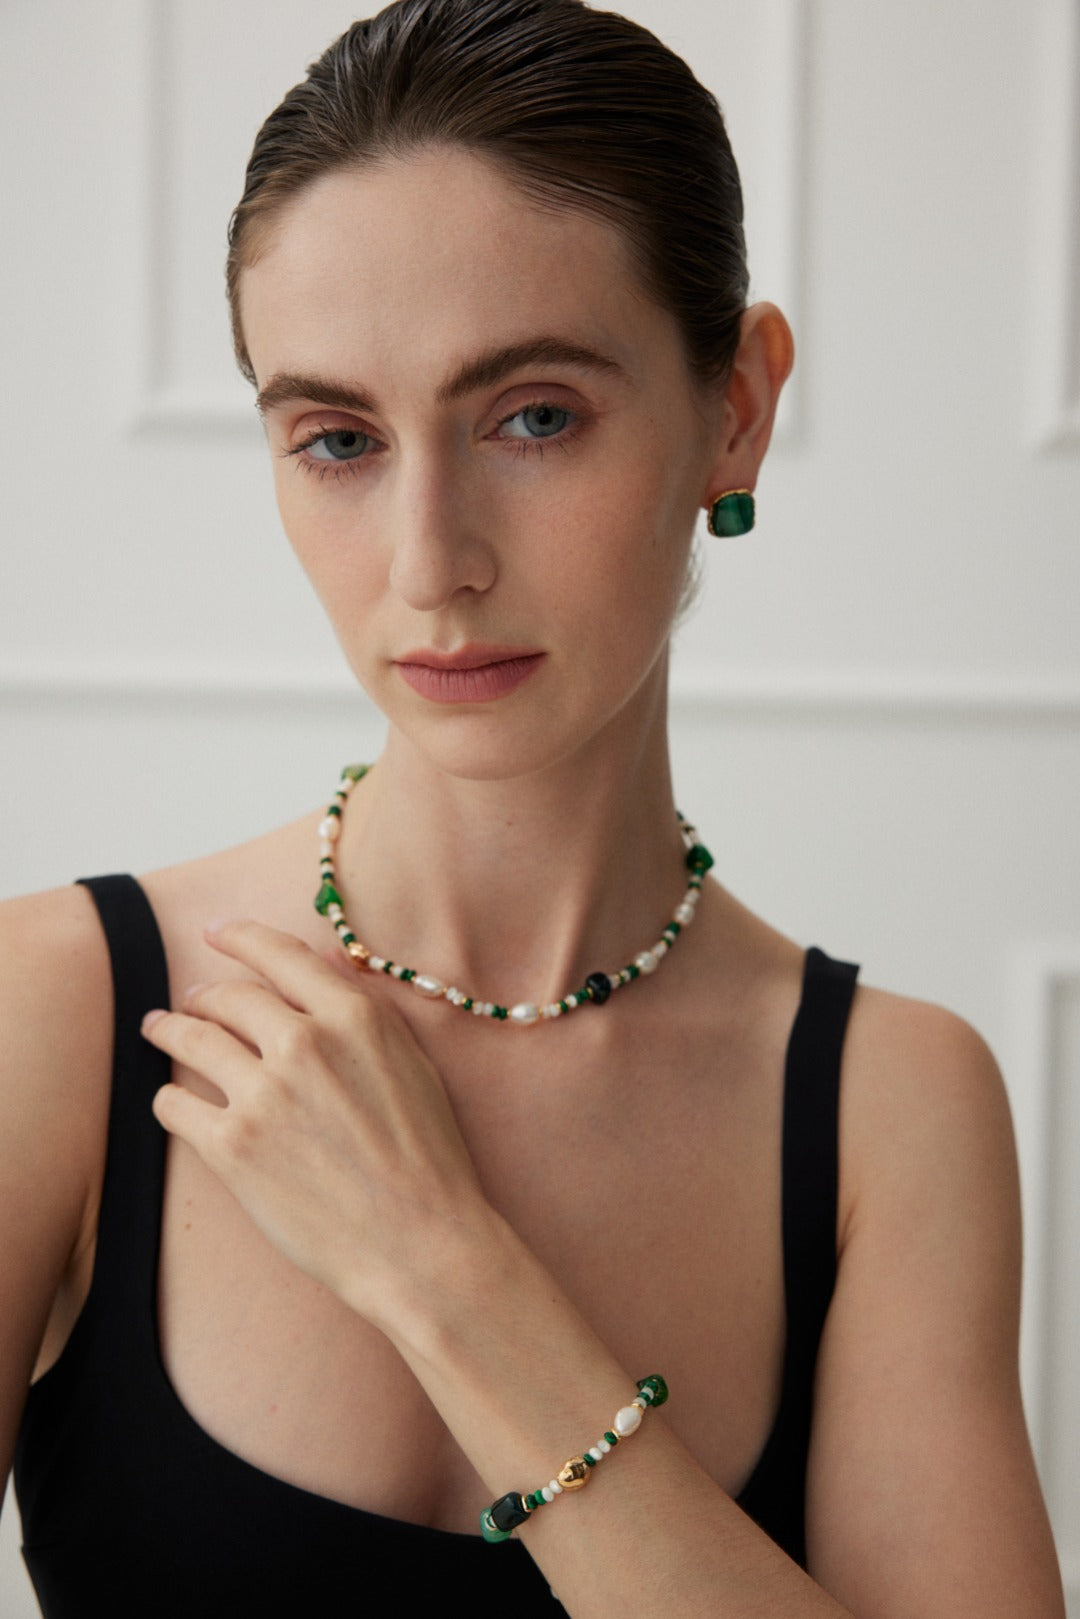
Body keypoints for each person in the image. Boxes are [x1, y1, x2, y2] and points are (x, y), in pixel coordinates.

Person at [0, 1, 1066, 1613]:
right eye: (340, 439)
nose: (432, 562)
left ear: (737, 408)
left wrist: (444, 1271)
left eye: (535, 416)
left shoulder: (888, 1112)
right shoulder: (56, 1016)